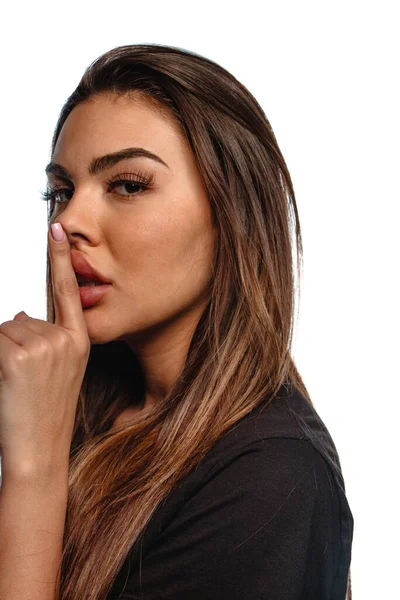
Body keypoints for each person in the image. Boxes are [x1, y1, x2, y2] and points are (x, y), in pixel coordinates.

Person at [0, 43, 353, 599]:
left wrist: (33, 473)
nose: (69, 221)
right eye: (61, 192)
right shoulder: (60, 413)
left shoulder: (271, 478)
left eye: (128, 185)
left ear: (232, 215)